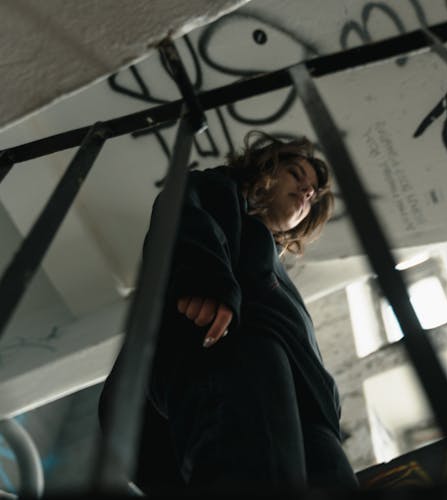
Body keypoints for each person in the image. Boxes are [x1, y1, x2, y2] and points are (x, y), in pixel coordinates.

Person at [98, 131, 358, 494]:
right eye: (297, 174)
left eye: (313, 193)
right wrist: (205, 279)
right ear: (266, 168)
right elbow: (180, 211)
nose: (307, 192)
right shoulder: (220, 190)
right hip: (235, 345)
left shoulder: (273, 263)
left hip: (309, 406)